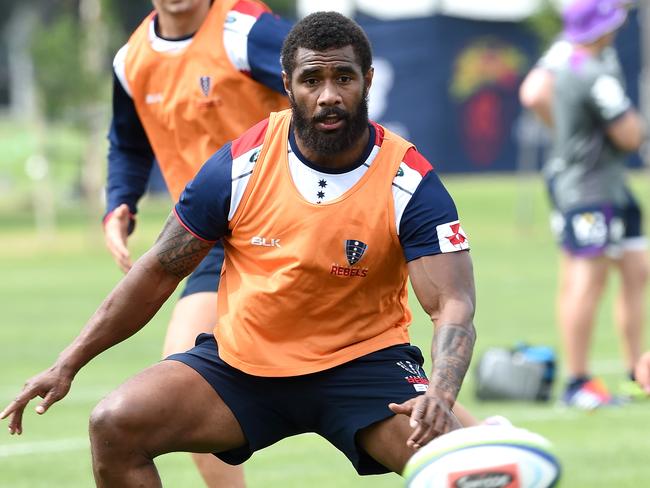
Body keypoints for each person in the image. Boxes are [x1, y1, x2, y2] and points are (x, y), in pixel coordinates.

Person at [1, 11, 477, 487]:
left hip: (363, 365)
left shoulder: (409, 180)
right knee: (116, 423)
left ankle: (487, 441)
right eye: (312, 79)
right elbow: (156, 273)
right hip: (246, 366)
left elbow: (452, 303)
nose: (329, 95)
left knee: (457, 468)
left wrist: (439, 391)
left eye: (344, 78)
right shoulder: (239, 164)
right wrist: (68, 363)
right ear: (287, 84)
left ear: (367, 80)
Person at [103, 0, 290, 484]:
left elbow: (326, 80)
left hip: (290, 230)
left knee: (367, 363)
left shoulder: (243, 30)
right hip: (211, 239)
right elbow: (127, 142)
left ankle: (481, 448)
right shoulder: (132, 60)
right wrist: (119, 203)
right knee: (184, 380)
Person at [520, 0, 648, 409]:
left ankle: (636, 374)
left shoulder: (577, 62)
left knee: (635, 268)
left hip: (611, 186)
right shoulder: (592, 73)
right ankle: (578, 383)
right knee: (586, 277)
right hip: (588, 190)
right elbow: (629, 136)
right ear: (602, 28)